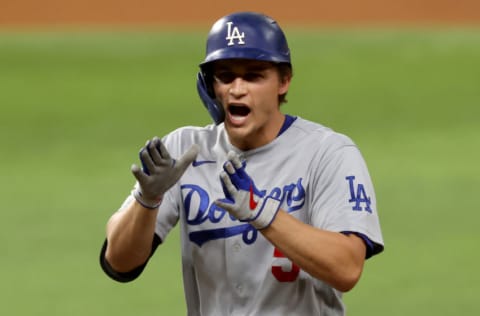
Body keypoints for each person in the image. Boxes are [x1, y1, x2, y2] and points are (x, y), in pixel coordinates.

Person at [99, 11, 384, 315]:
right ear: (211, 86)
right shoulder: (184, 152)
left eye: (253, 75)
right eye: (225, 76)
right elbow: (119, 264)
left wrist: (264, 213)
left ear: (284, 81)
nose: (237, 88)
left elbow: (347, 268)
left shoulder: (327, 153)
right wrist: (147, 200)